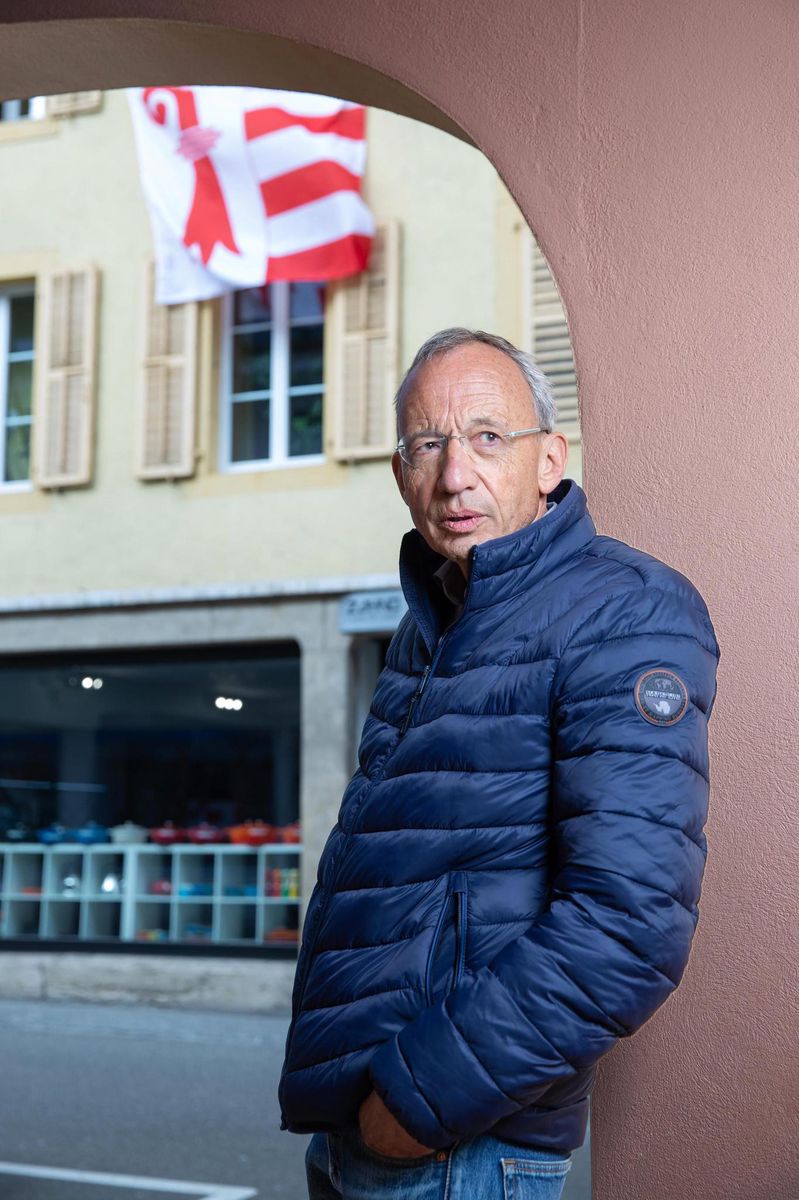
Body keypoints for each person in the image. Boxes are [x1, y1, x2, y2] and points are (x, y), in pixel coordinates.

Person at [279, 328, 721, 1199]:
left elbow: (627, 927)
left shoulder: (625, 613)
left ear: (549, 458)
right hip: (359, 1132)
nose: (453, 475)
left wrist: (409, 1108)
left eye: (487, 437)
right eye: (426, 445)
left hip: (455, 1145)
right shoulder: (429, 623)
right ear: (400, 470)